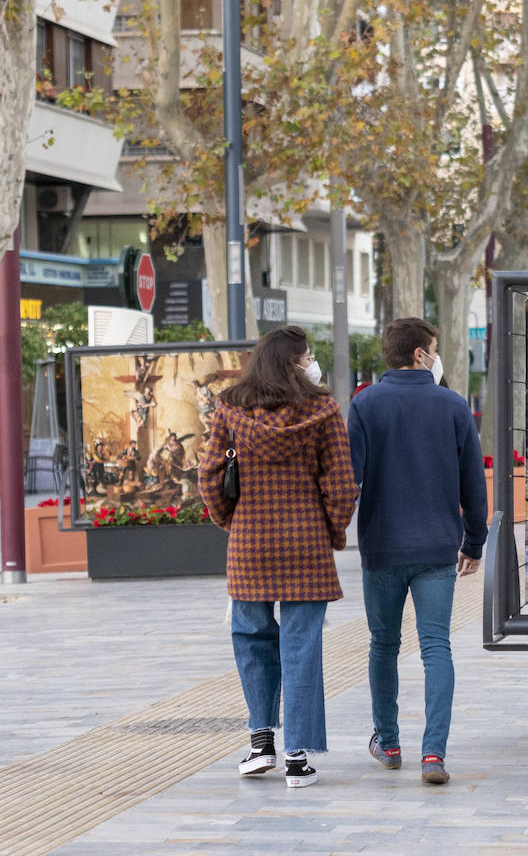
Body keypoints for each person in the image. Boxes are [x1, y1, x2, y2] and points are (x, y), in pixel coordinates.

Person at [198, 326, 358, 789]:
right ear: (293, 363)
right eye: (307, 356)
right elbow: (342, 484)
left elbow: (211, 477)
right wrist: (330, 529)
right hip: (305, 543)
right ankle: (298, 756)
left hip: (250, 543)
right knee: (302, 646)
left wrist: (235, 522)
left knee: (251, 638)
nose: (312, 362)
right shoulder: (323, 410)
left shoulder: (230, 408)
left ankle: (260, 742)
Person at [347, 317, 487, 786]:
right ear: (419, 355)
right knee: (436, 647)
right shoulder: (453, 405)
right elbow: (474, 483)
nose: (436, 354)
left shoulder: (364, 406)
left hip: (382, 546)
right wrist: (475, 540)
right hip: (436, 549)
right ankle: (433, 755)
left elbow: (351, 481)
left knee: (383, 646)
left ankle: (387, 742)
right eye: (434, 347)